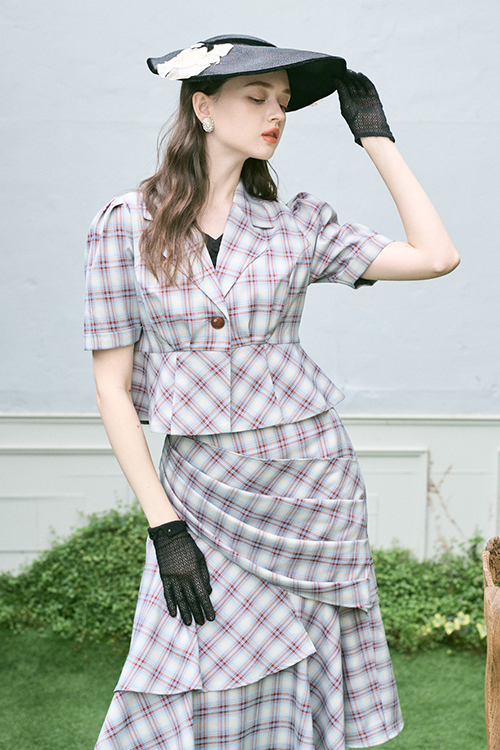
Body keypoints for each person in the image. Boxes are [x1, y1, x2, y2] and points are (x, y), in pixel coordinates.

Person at [85, 34, 459, 750]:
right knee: (183, 672)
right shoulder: (124, 225)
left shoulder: (299, 226)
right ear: (203, 107)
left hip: (311, 491)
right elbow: (111, 389)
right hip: (201, 496)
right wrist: (164, 527)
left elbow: (437, 255)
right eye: (256, 98)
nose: (275, 114)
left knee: (296, 684)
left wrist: (375, 139)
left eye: (283, 102)